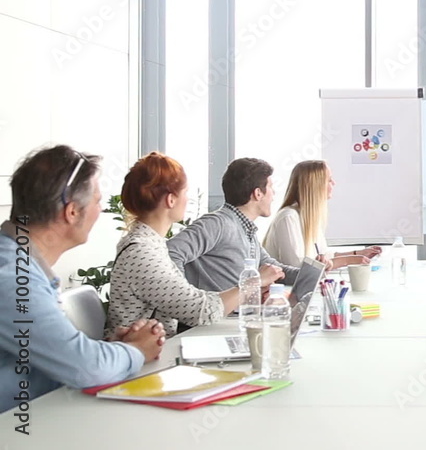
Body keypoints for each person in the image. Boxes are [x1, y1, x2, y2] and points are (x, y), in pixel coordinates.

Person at [0, 146, 165, 413]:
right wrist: (137, 350)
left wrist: (111, 349)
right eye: (97, 201)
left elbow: (51, 357)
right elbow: (88, 368)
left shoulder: (17, 263)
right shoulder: (14, 277)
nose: (101, 208)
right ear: (72, 212)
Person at [108, 153, 284, 338]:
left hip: (158, 347)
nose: (187, 199)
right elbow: (201, 311)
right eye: (185, 192)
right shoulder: (142, 252)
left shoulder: (152, 245)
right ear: (171, 200)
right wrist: (254, 283)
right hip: (142, 353)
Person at [168, 158, 300, 292]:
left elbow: (274, 269)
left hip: (241, 305)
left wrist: (310, 274)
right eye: (270, 186)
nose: (274, 193)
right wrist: (187, 296)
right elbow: (170, 252)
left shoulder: (246, 229)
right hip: (218, 306)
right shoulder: (217, 223)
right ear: (258, 193)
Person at [262, 160, 381, 270]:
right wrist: (349, 260)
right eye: (329, 180)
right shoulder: (288, 218)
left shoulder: (308, 216)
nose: (334, 183)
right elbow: (297, 267)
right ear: (315, 185)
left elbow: (323, 255)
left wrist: (358, 253)